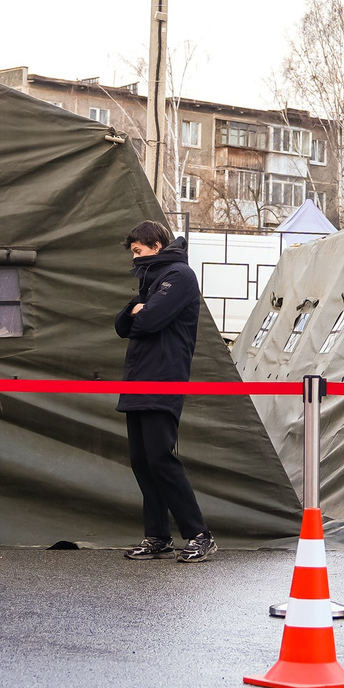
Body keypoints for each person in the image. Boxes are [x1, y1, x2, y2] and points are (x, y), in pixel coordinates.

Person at [116, 219, 215, 562]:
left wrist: (139, 313)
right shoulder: (152, 280)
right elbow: (121, 325)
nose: (135, 259)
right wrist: (136, 309)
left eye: (139, 251)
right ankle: (158, 536)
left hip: (163, 378)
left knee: (160, 457)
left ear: (156, 246)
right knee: (142, 461)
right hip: (138, 379)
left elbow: (147, 321)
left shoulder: (179, 276)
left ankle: (199, 535)